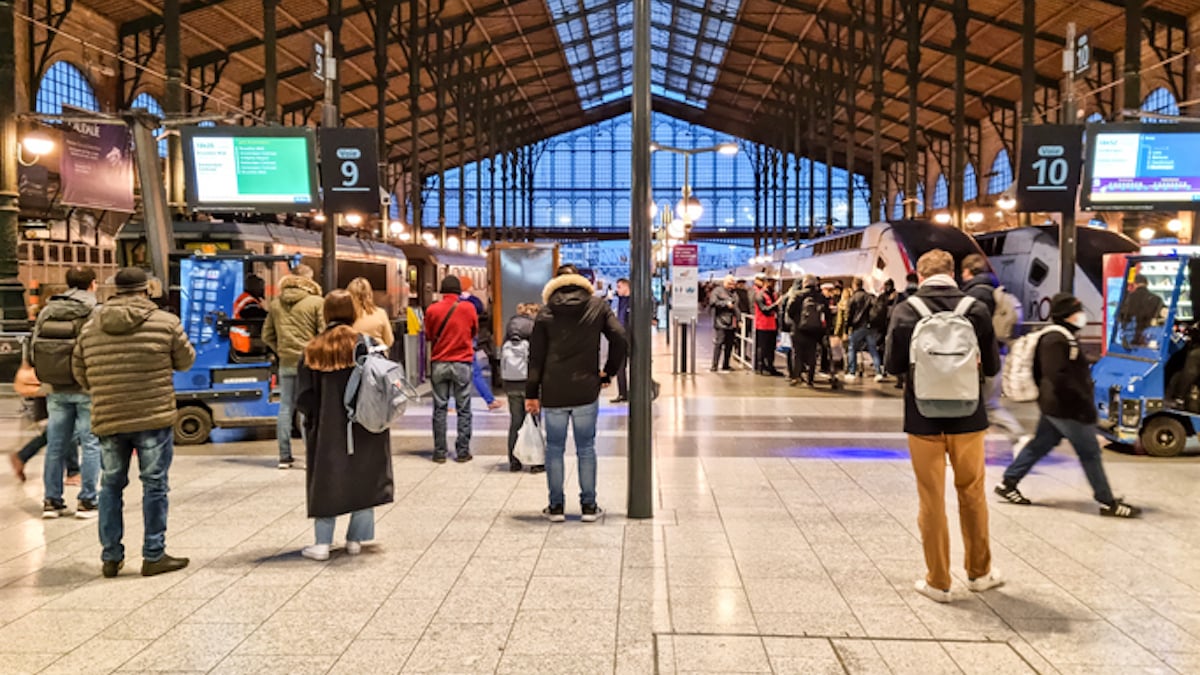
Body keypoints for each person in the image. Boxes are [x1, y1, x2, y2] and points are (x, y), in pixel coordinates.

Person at [885, 249, 1002, 602]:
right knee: (973, 493)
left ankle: (938, 581)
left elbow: (892, 366)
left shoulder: (906, 310)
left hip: (922, 417)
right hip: (968, 417)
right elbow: (993, 367)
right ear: (955, 273)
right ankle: (979, 573)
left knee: (931, 499)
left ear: (920, 276)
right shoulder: (976, 309)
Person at [72, 267, 196, 578]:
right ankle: (153, 555)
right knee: (154, 485)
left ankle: (111, 557)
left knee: (111, 486)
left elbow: (80, 371)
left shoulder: (91, 326)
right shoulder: (165, 323)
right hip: (152, 416)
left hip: (109, 416)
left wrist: (105, 390)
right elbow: (186, 360)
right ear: (146, 290)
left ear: (114, 290)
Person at [995, 293, 1141, 518]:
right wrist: (1081, 401)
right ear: (1067, 316)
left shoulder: (1062, 336)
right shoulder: (1056, 339)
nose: (1081, 316)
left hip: (1054, 406)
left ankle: (1009, 482)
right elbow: (1057, 375)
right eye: (1077, 312)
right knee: (1090, 453)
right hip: (1067, 409)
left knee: (1040, 444)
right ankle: (1107, 502)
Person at [295, 290, 395, 560]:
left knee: (327, 481)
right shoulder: (366, 344)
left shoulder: (313, 348)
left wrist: (314, 422)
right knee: (363, 478)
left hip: (327, 429)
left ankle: (322, 544)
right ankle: (355, 540)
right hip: (365, 424)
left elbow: (303, 397)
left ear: (326, 313)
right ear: (353, 313)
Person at [526, 264, 627, 522]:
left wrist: (531, 394)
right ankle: (589, 507)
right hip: (586, 388)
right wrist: (609, 371)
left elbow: (535, 358)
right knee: (586, 448)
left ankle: (556, 507)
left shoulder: (546, 312)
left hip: (554, 389)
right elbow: (620, 338)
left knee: (554, 449)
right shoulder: (597, 306)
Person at [30, 266, 102, 519]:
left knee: (56, 445)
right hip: (87, 386)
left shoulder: (49, 309)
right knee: (91, 443)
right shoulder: (95, 310)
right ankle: (87, 501)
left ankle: (52, 501)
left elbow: (33, 346)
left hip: (56, 387)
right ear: (93, 284)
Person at [262, 265, 324, 469]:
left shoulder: (276, 304)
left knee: (285, 407)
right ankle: (311, 455)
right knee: (308, 408)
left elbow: (266, 335)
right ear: (309, 279)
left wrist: (281, 349)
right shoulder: (316, 302)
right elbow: (323, 333)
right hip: (309, 362)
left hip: (286, 362)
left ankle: (284, 456)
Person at [960, 254, 1026, 446]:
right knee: (983, 403)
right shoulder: (994, 290)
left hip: (982, 357)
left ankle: (1019, 436)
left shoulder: (975, 295)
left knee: (986, 404)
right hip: (997, 352)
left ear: (968, 272)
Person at [425, 275, 479, 463]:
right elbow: (474, 331)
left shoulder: (432, 310)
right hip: (462, 363)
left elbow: (430, 335)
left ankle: (440, 452)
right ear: (458, 291)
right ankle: (462, 452)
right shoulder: (468, 308)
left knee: (439, 409)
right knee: (464, 409)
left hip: (439, 362)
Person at [502, 303, 544, 473]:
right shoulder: (535, 328)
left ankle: (514, 461)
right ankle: (536, 462)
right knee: (533, 420)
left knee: (515, 422)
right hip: (529, 383)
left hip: (510, 382)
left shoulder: (510, 329)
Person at [458, 276, 502, 412]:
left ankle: (448, 403)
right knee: (475, 372)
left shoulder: (454, 301)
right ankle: (489, 400)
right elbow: (481, 310)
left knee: (453, 373)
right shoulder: (474, 302)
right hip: (468, 340)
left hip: (453, 342)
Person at [788, 275, 832, 388]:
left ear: (805, 283)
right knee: (812, 353)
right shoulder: (820, 296)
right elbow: (827, 313)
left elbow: (790, 310)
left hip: (798, 329)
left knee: (797, 354)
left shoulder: (798, 295)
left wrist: (797, 321)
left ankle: (796, 377)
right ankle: (810, 379)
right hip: (814, 330)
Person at [845, 277, 884, 382]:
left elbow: (848, 315)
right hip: (869, 326)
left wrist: (846, 329)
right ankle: (878, 372)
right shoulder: (869, 297)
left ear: (854, 285)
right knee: (873, 349)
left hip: (857, 327)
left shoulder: (853, 298)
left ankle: (852, 372)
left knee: (852, 348)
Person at [1118, 274, 1165, 347]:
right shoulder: (1157, 299)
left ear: (1135, 284)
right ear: (1147, 284)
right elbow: (1164, 316)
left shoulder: (1128, 298)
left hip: (1130, 339)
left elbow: (1120, 317)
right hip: (1148, 339)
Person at [347, 277, 394, 348]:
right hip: (378, 356)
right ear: (369, 294)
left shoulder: (347, 315)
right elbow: (389, 341)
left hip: (355, 356)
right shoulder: (380, 313)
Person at [753, 275, 783, 376]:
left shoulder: (773, 294)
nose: (773, 284)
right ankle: (760, 367)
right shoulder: (760, 295)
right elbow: (764, 309)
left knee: (771, 347)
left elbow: (775, 310)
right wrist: (776, 304)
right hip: (763, 325)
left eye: (774, 282)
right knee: (762, 347)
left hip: (773, 325)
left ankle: (770, 366)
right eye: (771, 282)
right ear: (766, 283)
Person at [709, 275, 739, 372]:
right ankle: (714, 365)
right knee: (719, 343)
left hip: (731, 322)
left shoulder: (734, 293)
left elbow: (736, 307)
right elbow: (713, 302)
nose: (732, 285)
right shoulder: (717, 291)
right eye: (730, 283)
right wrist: (725, 304)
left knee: (730, 344)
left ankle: (726, 364)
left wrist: (739, 319)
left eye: (733, 283)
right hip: (720, 321)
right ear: (725, 282)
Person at [611, 278, 631, 402]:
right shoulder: (620, 301)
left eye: (619, 287)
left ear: (626, 287)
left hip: (631, 337)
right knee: (620, 366)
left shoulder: (632, 301)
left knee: (633, 366)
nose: (617, 289)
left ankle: (633, 392)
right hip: (621, 338)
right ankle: (622, 393)